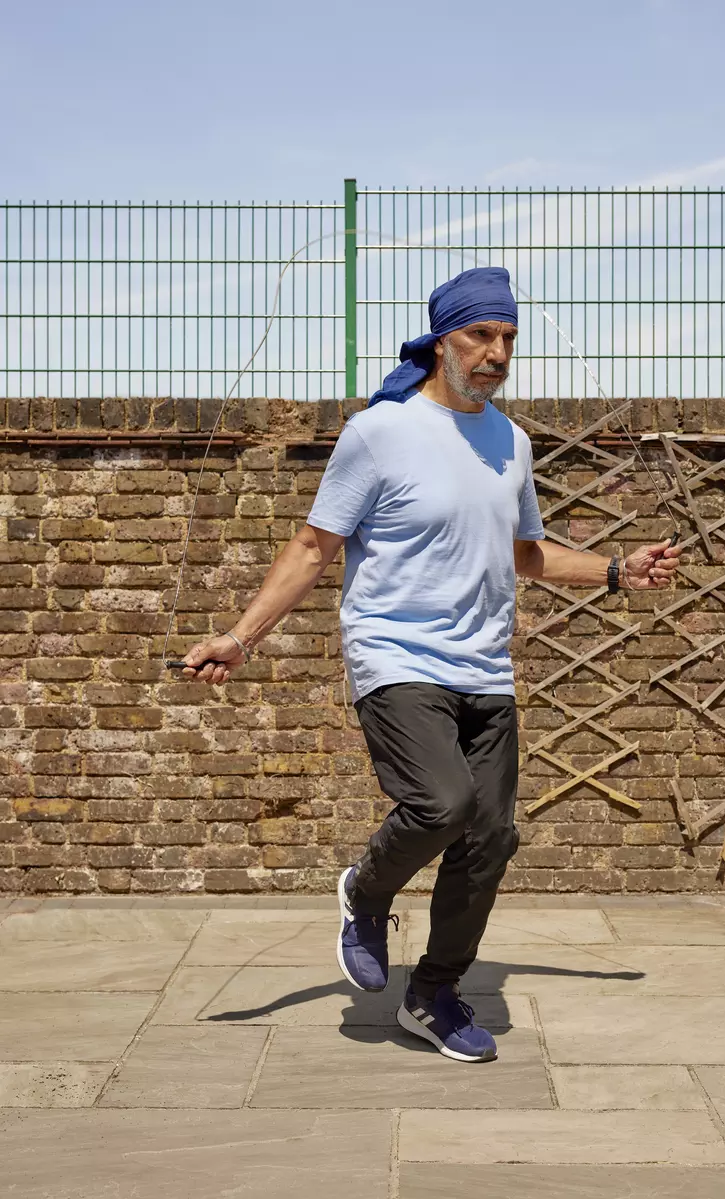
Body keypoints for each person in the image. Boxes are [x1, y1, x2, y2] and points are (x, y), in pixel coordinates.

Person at [180, 267, 682, 1064]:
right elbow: (315, 545)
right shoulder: (379, 433)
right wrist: (242, 637)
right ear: (442, 340)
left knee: (491, 836)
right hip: (395, 653)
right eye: (481, 336)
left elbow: (525, 554)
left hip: (484, 665)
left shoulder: (510, 442)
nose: (496, 353)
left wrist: (618, 570)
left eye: (509, 338)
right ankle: (366, 890)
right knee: (442, 802)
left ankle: (434, 992)